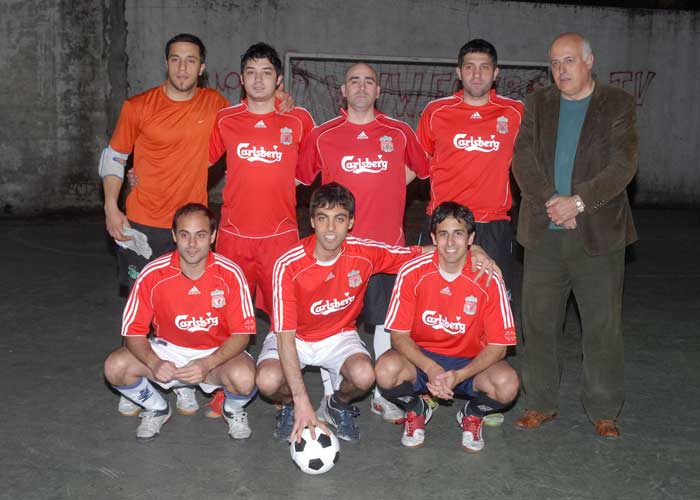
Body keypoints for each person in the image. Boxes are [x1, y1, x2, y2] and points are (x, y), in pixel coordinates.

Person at [255, 183, 497, 444]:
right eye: (323, 219)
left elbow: (410, 254)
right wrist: (301, 400)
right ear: (312, 221)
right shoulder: (288, 265)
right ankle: (289, 407)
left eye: (339, 219)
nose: (330, 228)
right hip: (297, 338)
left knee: (365, 376)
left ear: (351, 222)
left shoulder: (363, 253)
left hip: (339, 335)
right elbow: (285, 336)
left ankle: (337, 404)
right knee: (267, 380)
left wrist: (472, 249)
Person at [511, 33, 638, 438]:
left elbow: (623, 165)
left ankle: (604, 409)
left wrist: (578, 202)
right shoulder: (537, 103)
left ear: (589, 61)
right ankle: (540, 402)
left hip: (598, 235)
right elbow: (522, 159)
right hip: (543, 233)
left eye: (568, 61)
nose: (560, 70)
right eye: (554, 63)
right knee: (538, 323)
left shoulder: (617, 103)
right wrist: (552, 201)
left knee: (601, 325)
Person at [100, 33, 229, 418]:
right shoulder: (138, 106)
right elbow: (114, 157)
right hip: (141, 225)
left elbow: (251, 120)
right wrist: (111, 206)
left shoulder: (215, 105)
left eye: (191, 60)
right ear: (166, 63)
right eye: (176, 59)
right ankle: (137, 382)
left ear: (202, 68)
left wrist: (281, 100)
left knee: (185, 305)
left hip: (190, 229)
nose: (183, 67)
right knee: (140, 307)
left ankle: (183, 382)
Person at [297, 62, 429, 422]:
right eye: (354, 81)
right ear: (343, 90)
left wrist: (391, 183)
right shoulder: (323, 135)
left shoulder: (398, 132)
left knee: (385, 323)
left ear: (378, 91)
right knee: (335, 323)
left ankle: (383, 395)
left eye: (368, 81)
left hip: (387, 249)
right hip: (338, 252)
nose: (361, 86)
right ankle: (331, 396)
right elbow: (302, 177)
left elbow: (422, 167)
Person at [206, 42, 315, 417]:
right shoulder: (225, 119)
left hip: (280, 238)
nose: (258, 80)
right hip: (233, 236)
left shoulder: (298, 119)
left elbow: (315, 166)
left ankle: (284, 388)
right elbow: (194, 161)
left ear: (278, 79)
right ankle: (225, 386)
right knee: (228, 317)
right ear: (241, 78)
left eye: (266, 73)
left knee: (284, 320)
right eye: (251, 73)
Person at [103, 204, 258, 441]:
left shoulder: (231, 274)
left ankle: (232, 409)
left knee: (245, 379)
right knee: (115, 367)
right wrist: (154, 362)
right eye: (185, 235)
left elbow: (242, 335)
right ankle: (157, 408)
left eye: (201, 235)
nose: (192, 244)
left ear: (213, 236)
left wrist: (207, 363)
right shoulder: (153, 274)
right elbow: (133, 332)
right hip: (168, 352)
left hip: (215, 354)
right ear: (174, 236)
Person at [375, 202, 518, 452]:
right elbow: (398, 336)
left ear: (471, 238)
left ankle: (472, 414)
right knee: (385, 371)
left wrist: (459, 376)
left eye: (458, 233)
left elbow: (499, 346)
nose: (450, 242)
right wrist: (431, 368)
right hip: (422, 360)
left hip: (470, 363)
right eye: (443, 234)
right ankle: (416, 408)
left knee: (507, 385)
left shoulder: (488, 277)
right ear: (433, 238)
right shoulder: (412, 272)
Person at [417, 39, 523, 294]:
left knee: (491, 301)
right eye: (469, 67)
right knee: (434, 299)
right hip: (444, 222)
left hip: (492, 223)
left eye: (484, 67)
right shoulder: (436, 112)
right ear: (458, 72)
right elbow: (415, 165)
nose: (477, 75)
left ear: (496, 73)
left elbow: (536, 161)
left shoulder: (516, 113)